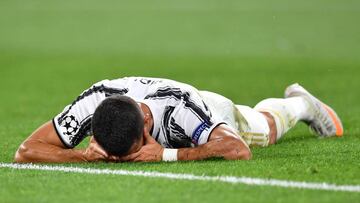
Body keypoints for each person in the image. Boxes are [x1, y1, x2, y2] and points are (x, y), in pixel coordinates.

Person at [14, 77, 343, 163]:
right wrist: (82, 155)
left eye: (130, 152)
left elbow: (237, 150)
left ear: (145, 125)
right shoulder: (95, 101)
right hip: (185, 115)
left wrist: (166, 154)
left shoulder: (179, 106)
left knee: (262, 129)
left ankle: (301, 105)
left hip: (211, 112)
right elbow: (26, 151)